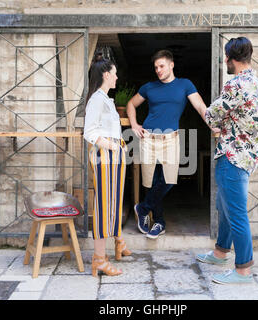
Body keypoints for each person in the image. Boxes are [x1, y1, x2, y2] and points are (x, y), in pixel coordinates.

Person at [196, 37, 258, 284]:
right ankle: (220, 252)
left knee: (236, 213)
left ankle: (243, 270)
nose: (224, 61)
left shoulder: (235, 84)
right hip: (248, 155)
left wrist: (205, 110)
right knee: (223, 205)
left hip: (232, 155)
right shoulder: (257, 83)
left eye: (225, 57)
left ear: (230, 58)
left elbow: (212, 117)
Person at [127, 49, 213, 239]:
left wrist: (213, 126)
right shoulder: (149, 87)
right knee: (151, 182)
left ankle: (142, 208)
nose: (158, 70)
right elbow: (131, 104)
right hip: (148, 138)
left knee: (169, 180)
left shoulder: (185, 85)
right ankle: (159, 223)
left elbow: (200, 107)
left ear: (171, 65)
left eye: (162, 66)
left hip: (171, 139)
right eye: (156, 67)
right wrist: (134, 124)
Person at [83, 54, 132, 277]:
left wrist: (119, 147)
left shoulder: (105, 99)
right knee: (104, 207)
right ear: (106, 74)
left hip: (112, 158)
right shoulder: (96, 100)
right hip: (105, 158)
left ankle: (118, 241)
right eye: (114, 73)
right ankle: (99, 260)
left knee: (113, 203)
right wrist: (114, 147)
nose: (116, 77)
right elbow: (90, 133)